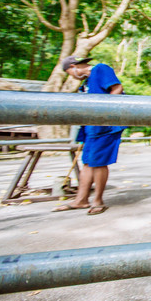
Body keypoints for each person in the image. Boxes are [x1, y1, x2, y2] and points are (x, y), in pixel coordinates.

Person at [53, 56, 126, 215]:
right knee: (87, 162)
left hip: (105, 125)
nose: (71, 76)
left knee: (99, 162)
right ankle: (81, 199)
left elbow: (117, 88)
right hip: (90, 128)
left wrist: (104, 113)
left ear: (74, 67)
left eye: (69, 73)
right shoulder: (86, 83)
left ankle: (98, 200)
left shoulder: (100, 69)